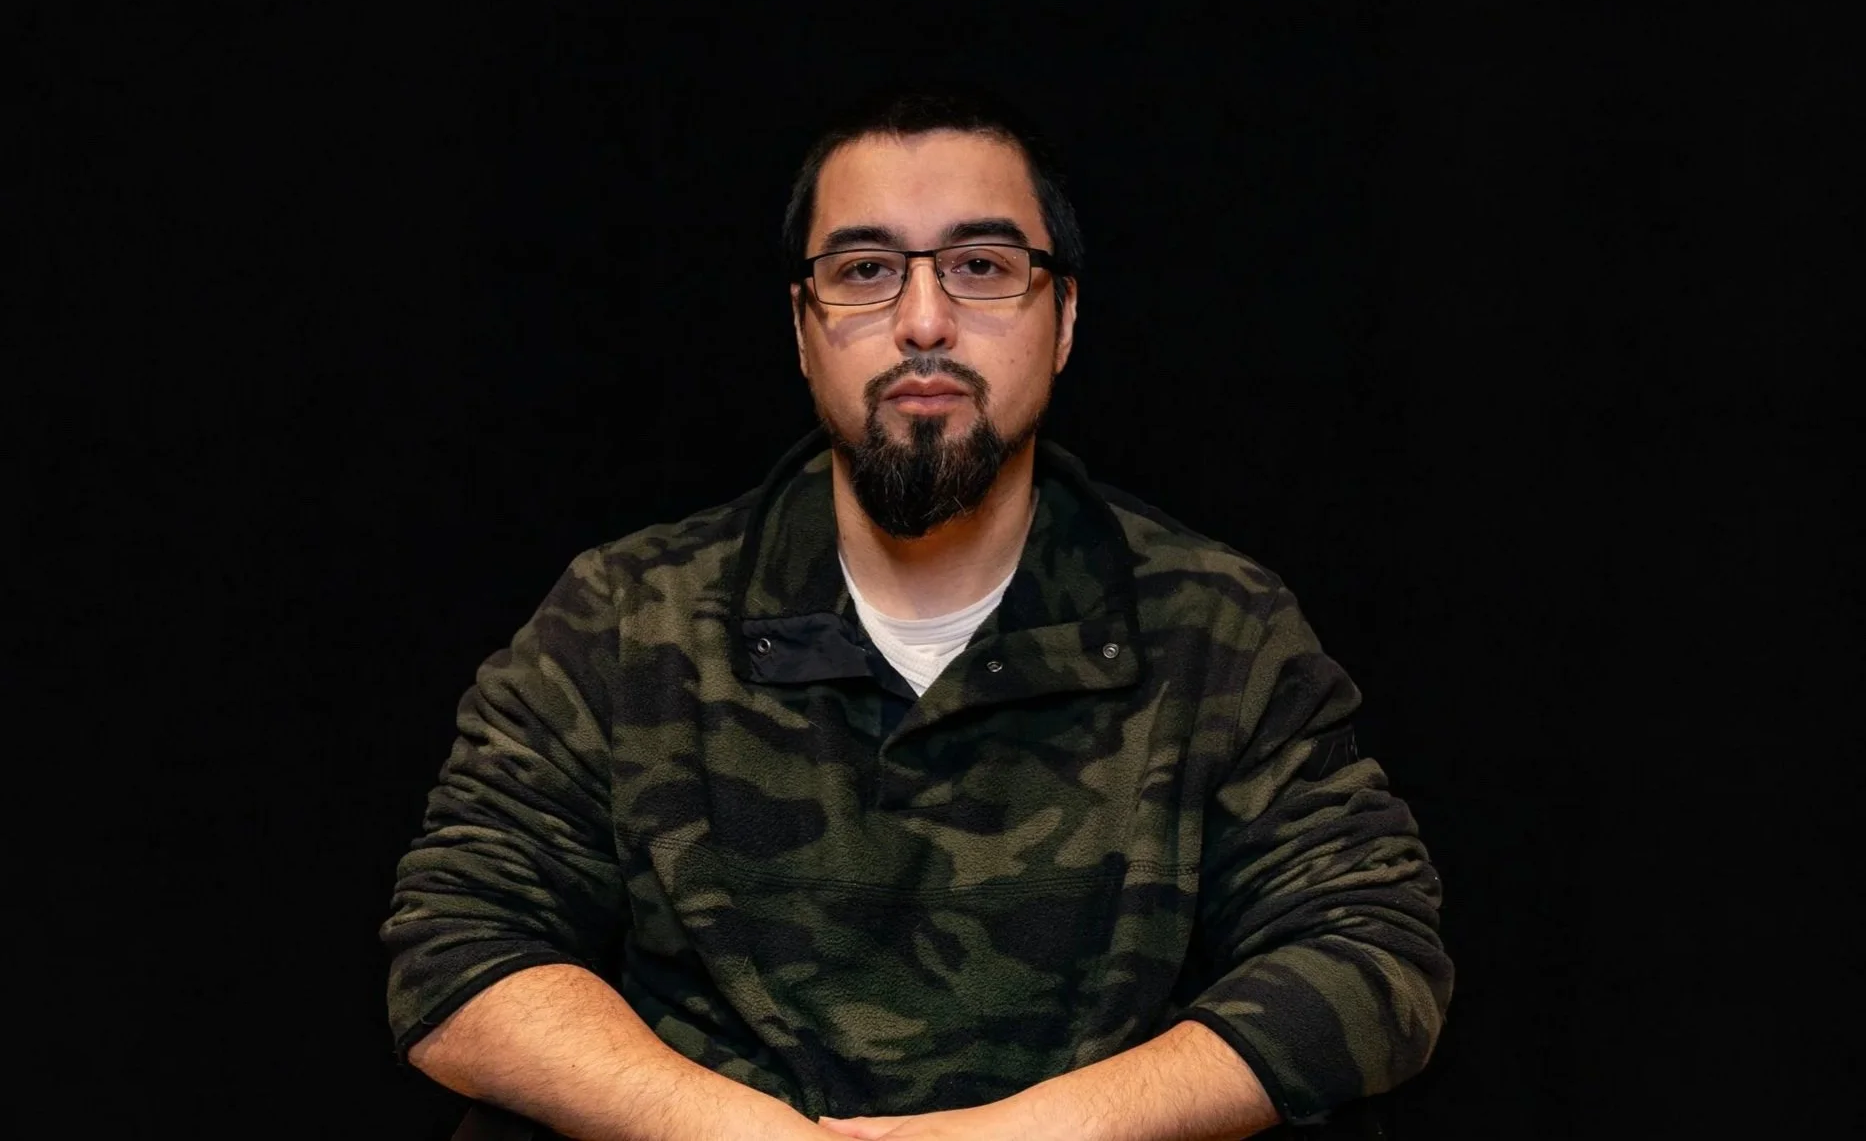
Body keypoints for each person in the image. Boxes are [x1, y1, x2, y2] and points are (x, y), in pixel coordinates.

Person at [383, 88, 1453, 1141]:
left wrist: (1031, 1137)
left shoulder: (1217, 629)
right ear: (802, 328)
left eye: (983, 266)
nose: (925, 321)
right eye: (864, 272)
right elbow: (455, 947)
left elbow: (1372, 949)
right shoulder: (628, 619)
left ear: (1065, 319)